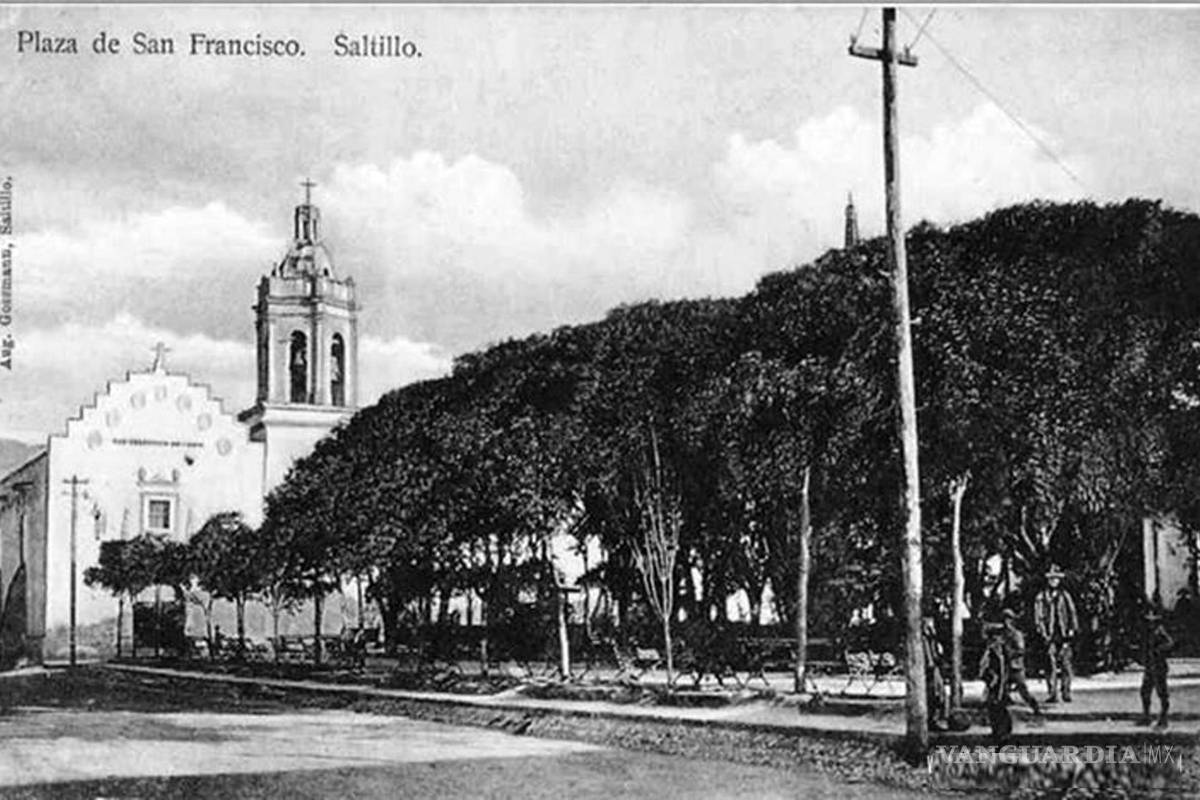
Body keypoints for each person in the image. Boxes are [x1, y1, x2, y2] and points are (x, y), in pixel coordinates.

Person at [1034, 564, 1078, 703]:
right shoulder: (1042, 597)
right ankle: (1052, 693)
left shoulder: (1065, 596)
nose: (1054, 581)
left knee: (1066, 664)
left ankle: (1066, 691)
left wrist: (1072, 628)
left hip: (1064, 634)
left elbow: (1072, 613)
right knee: (1050, 664)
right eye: (1051, 578)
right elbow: (1038, 616)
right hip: (1050, 635)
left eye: (1056, 579)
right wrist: (1042, 631)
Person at [1001, 608, 1043, 718]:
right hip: (1004, 666)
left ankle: (1035, 707)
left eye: (1008, 619)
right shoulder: (1002, 634)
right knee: (1000, 690)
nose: (1006, 622)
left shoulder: (1016, 634)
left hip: (1016, 666)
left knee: (1023, 690)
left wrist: (1010, 653)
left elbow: (1021, 650)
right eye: (1004, 619)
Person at [1137, 607, 1174, 729]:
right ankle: (1146, 716)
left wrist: (1159, 650)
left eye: (1152, 620)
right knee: (1145, 692)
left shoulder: (1160, 631)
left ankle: (1164, 718)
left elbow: (1170, 643)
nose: (1150, 623)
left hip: (1159, 666)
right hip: (1150, 666)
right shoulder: (1148, 633)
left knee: (1162, 693)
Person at [979, 622, 1012, 741]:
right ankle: (997, 732)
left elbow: (1007, 667)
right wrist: (990, 677)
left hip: (1003, 683)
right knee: (994, 707)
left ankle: (1004, 732)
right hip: (994, 684)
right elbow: (982, 668)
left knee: (1001, 706)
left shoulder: (1004, 651)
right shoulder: (989, 652)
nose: (999, 640)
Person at [922, 616, 948, 731]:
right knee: (934, 694)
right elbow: (929, 657)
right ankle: (933, 719)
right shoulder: (924, 640)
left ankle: (937, 718)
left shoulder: (932, 639)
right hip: (930, 669)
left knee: (940, 694)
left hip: (935, 667)